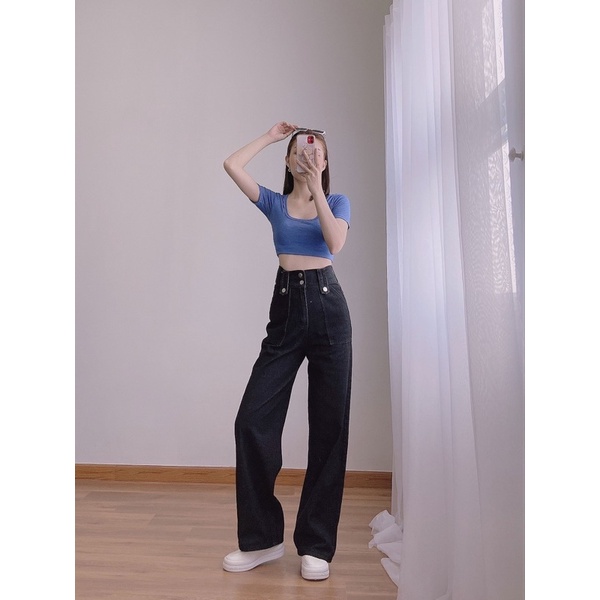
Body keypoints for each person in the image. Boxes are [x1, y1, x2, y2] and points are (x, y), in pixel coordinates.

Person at [221, 122, 352, 581]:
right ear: (288, 160)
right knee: (252, 420)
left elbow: (335, 243)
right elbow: (231, 164)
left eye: (315, 153)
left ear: (324, 162)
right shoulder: (274, 203)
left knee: (329, 427)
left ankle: (316, 545)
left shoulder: (337, 202)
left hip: (329, 311)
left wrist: (317, 188)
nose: (307, 157)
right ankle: (262, 539)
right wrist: (272, 136)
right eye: (299, 152)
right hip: (286, 310)